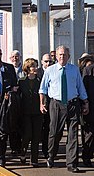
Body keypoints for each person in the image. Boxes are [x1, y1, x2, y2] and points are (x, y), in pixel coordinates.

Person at [39, 45, 89, 173]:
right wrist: (42, 103)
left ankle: (72, 163)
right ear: (56, 56)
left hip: (73, 104)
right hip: (57, 105)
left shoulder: (74, 70)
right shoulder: (50, 70)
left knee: (72, 135)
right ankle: (51, 155)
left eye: (64, 55)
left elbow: (80, 87)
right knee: (55, 133)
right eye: (60, 55)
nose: (62, 57)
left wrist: (85, 102)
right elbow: (42, 89)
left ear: (69, 57)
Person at [19, 58, 43, 167]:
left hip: (38, 112)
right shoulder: (22, 81)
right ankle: (23, 152)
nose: (35, 68)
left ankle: (34, 159)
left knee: (36, 136)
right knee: (27, 134)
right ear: (28, 68)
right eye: (33, 66)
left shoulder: (40, 80)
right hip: (25, 112)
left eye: (36, 66)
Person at [36, 53, 52, 158]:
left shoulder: (55, 71)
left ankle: (47, 150)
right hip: (38, 104)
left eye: (50, 61)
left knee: (48, 128)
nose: (48, 63)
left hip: (51, 104)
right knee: (38, 129)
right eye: (46, 61)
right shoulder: (37, 73)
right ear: (42, 62)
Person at [82, 60, 94, 167]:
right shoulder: (88, 70)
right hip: (91, 107)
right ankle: (86, 156)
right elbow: (83, 90)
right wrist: (85, 104)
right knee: (90, 134)